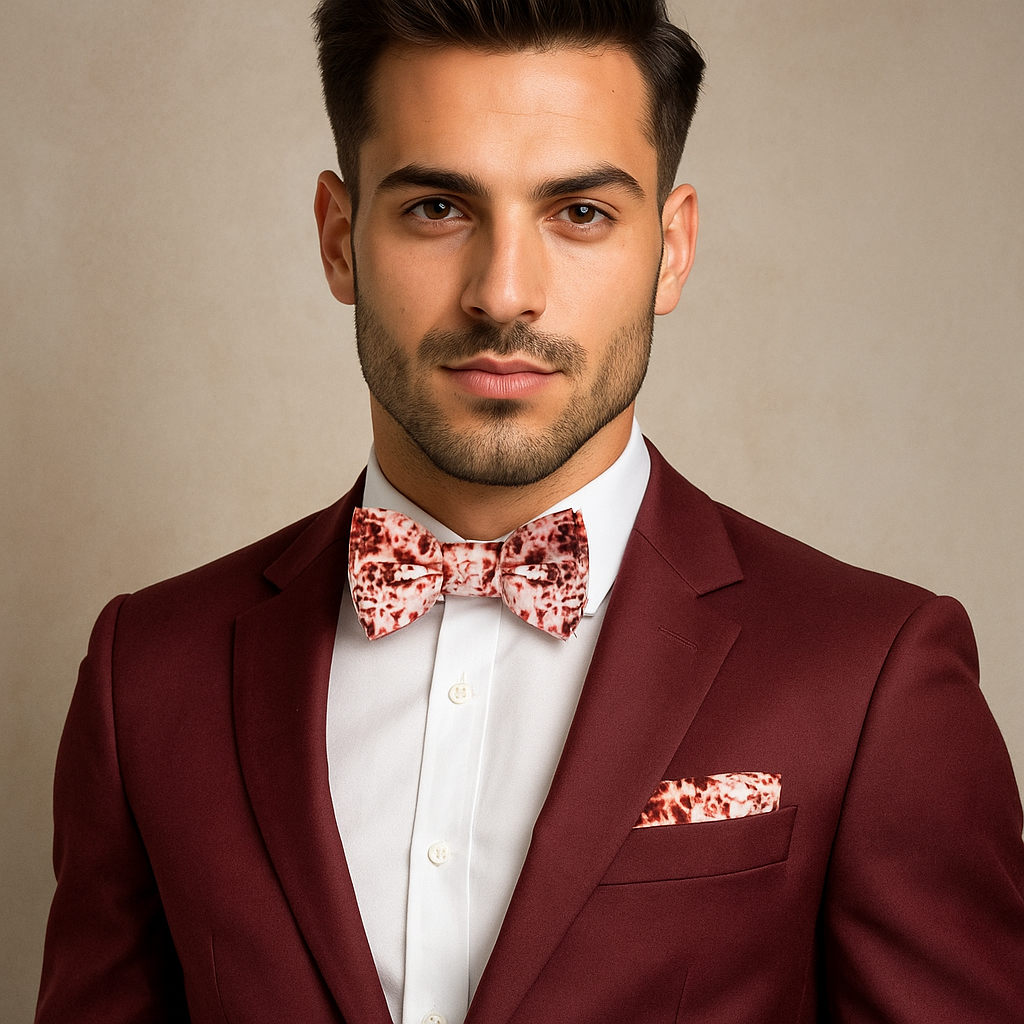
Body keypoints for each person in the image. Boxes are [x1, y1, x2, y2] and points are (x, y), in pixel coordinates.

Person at [35, 2, 1024, 1022]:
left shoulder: (871, 678)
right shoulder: (144, 676)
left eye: (580, 212)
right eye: (437, 208)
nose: (504, 293)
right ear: (338, 239)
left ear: (672, 249)